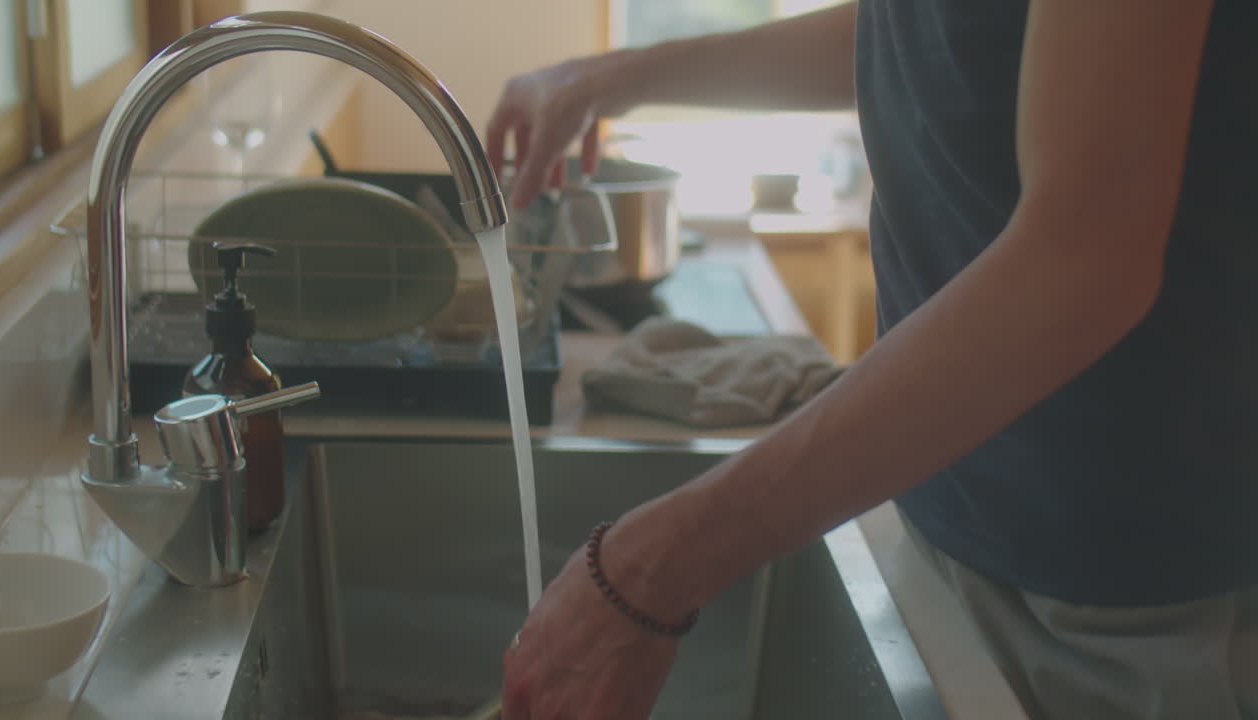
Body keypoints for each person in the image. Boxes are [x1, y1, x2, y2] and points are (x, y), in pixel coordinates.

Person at [487, 1, 1258, 718]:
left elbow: (1082, 266)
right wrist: (621, 77)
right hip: (956, 525)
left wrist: (650, 569)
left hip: (1138, 601)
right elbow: (930, 33)